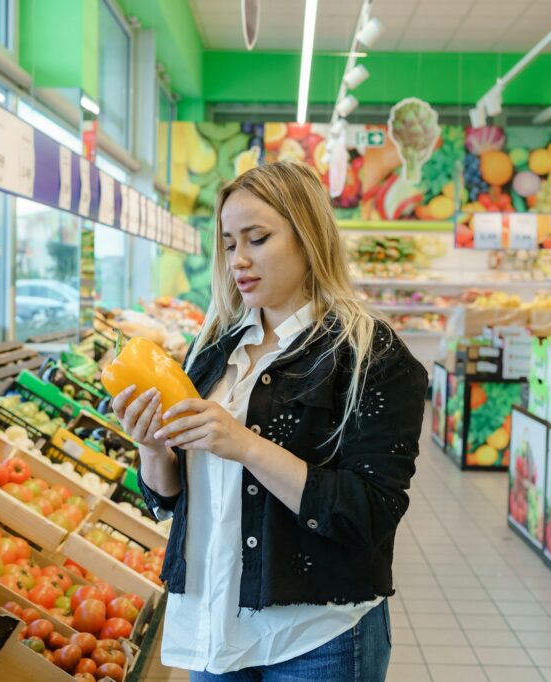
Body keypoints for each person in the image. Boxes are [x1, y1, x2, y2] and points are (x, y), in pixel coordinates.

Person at [111, 161, 427, 681]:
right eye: (230, 243)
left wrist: (246, 445)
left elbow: (370, 514)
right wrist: (150, 448)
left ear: (307, 237)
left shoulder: (370, 355)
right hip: (215, 625)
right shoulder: (214, 349)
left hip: (316, 636)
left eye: (257, 239)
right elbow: (172, 502)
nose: (239, 259)